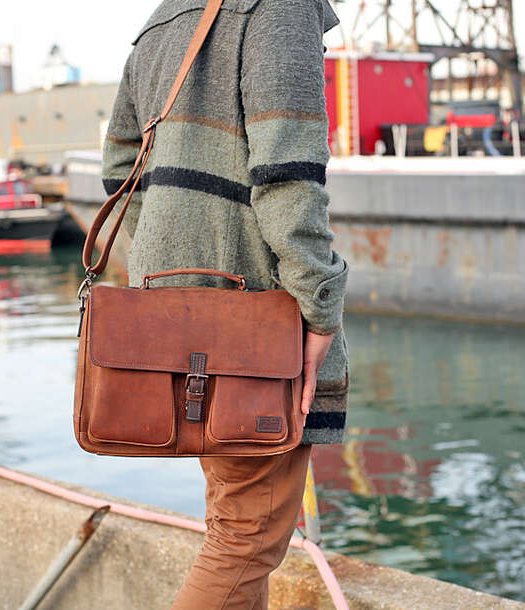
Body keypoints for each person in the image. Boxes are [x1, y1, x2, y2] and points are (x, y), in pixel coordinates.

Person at [102, 0, 349, 607]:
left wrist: (170, 270)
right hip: (255, 325)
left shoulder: (164, 17)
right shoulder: (280, 9)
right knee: (247, 540)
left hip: (185, 318)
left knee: (232, 522)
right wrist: (319, 307)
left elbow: (118, 169)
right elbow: (288, 176)